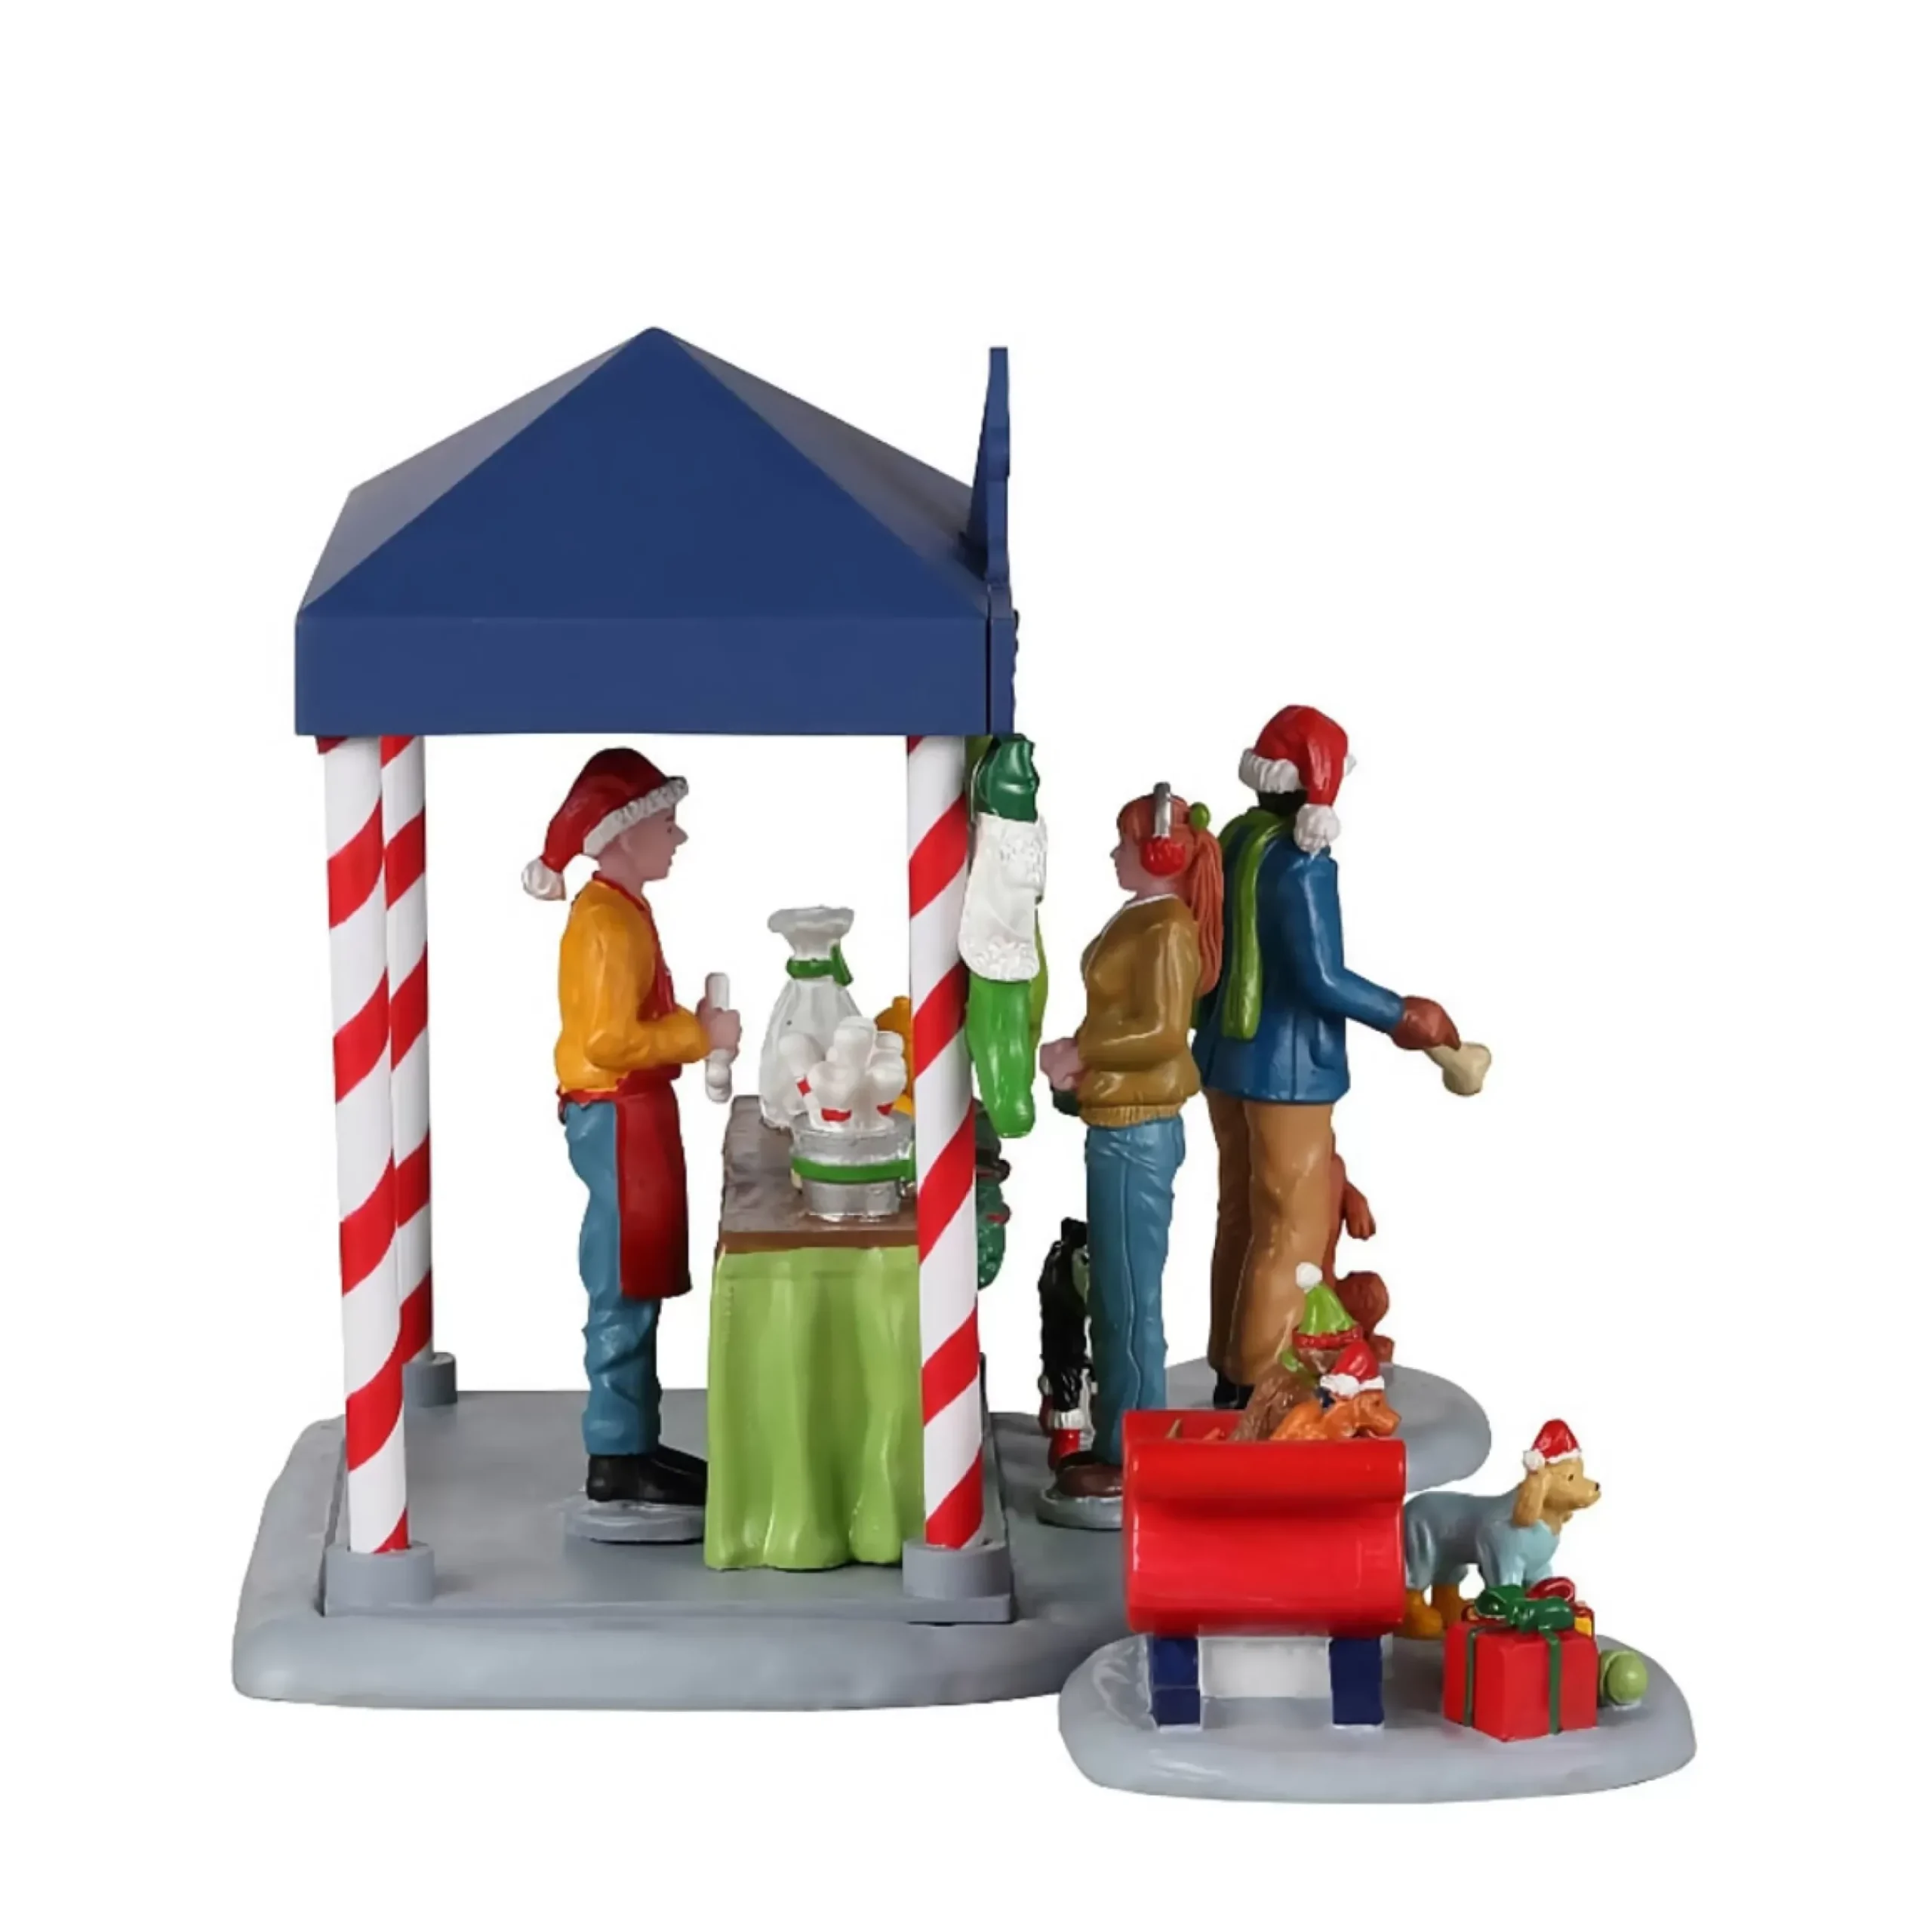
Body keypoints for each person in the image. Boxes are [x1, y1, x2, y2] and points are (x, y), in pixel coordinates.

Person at [1192, 705, 1458, 1407]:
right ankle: (1266, 1380)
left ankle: (1231, 1367)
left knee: (1240, 1216)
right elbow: (1321, 977)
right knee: (1292, 1228)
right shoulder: (1303, 868)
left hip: (1225, 1057)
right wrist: (1402, 1015)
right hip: (1288, 1072)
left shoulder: (1235, 841)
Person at [522, 747, 741, 1509]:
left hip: (633, 1111)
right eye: (666, 823)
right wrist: (698, 1036)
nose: (677, 838)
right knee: (622, 1278)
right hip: (617, 1110)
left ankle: (634, 1439)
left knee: (639, 1277)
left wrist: (689, 1029)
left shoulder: (621, 911)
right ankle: (616, 1450)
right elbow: (610, 1040)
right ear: (622, 834)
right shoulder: (607, 924)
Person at [1038, 785, 1223, 1503]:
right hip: (1117, 1122)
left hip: (1135, 1131)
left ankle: (1136, 1450)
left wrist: (1080, 1050)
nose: (1115, 854)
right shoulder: (1146, 917)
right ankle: (1120, 1435)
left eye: (1126, 842)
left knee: (1128, 1295)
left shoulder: (1167, 928)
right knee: (1114, 1293)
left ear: (1162, 852)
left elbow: (1163, 1032)